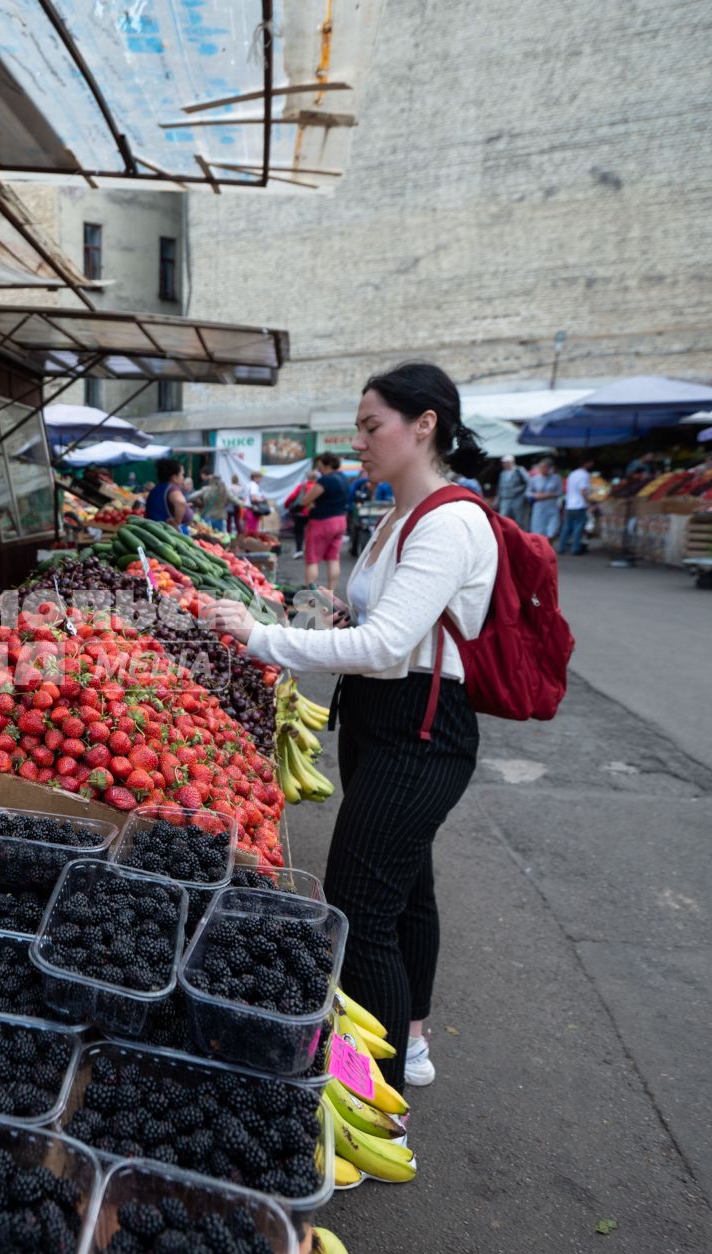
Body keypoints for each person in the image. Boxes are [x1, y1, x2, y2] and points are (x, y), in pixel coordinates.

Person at [201, 362, 498, 1094]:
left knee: (358, 911)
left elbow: (385, 646)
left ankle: (374, 1094)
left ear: (423, 424)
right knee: (407, 890)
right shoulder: (399, 513)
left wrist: (262, 637)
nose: (359, 442)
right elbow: (381, 624)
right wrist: (342, 612)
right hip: (379, 718)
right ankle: (413, 1041)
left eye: (372, 427)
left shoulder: (452, 520)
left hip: (420, 731)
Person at [302, 453, 356, 590]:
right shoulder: (344, 478)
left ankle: (311, 595)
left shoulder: (325, 480)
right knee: (333, 557)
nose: (319, 469)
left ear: (326, 464)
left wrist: (310, 503)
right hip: (340, 520)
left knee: (312, 559)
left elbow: (305, 500)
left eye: (320, 465)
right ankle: (331, 592)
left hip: (322, 522)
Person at [558, 457, 593, 555]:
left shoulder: (572, 474)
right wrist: (588, 503)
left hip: (570, 504)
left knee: (566, 527)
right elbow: (583, 491)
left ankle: (561, 547)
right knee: (578, 527)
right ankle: (575, 549)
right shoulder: (584, 475)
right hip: (579, 504)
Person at [144, 460, 190, 529]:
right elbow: (181, 502)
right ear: (174, 478)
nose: (183, 477)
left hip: (154, 529)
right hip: (166, 532)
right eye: (182, 474)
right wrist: (177, 522)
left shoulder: (156, 489)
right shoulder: (172, 488)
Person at [526, 458, 562, 541]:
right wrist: (537, 495)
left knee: (552, 530)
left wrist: (547, 495)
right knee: (538, 530)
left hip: (552, 506)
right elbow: (527, 493)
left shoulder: (556, 478)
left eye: (545, 467)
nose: (543, 469)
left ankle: (549, 548)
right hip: (539, 507)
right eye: (541, 467)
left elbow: (559, 492)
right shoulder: (534, 479)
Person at [496, 456, 530, 528]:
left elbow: (528, 482)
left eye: (506, 463)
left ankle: (521, 535)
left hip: (517, 498)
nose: (504, 465)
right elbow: (500, 487)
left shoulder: (519, 470)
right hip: (505, 498)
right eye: (503, 463)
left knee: (519, 519)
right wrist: (497, 500)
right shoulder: (503, 473)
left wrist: (520, 491)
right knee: (503, 517)